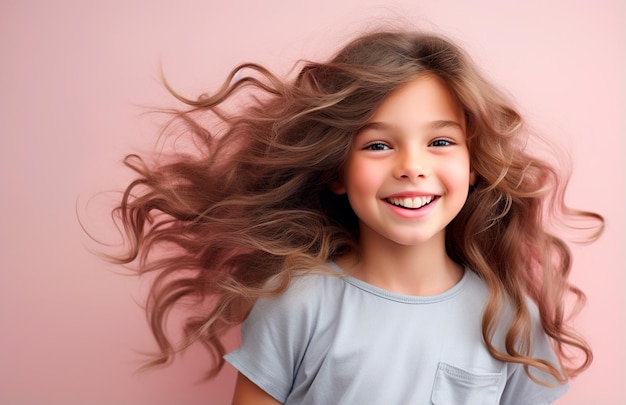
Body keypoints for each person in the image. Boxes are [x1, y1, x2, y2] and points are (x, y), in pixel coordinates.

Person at [110, 30, 604, 404]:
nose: (412, 166)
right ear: (336, 171)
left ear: (473, 165)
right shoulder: (297, 302)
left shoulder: (511, 319)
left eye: (440, 142)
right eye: (378, 145)